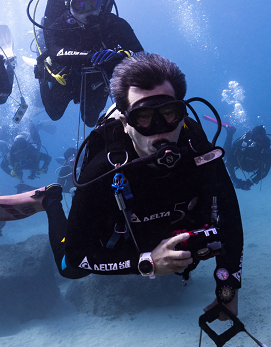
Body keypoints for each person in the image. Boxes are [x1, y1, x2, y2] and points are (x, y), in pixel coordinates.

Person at [33, 53, 244, 320]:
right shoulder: (103, 169)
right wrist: (145, 262)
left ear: (182, 114)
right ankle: (49, 199)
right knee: (69, 269)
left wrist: (228, 290)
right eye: (143, 117)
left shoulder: (201, 153)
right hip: (126, 232)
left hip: (169, 221)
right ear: (124, 121)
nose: (160, 130)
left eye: (169, 114)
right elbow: (76, 257)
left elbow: (231, 223)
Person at [35, 0, 144, 127]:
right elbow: (56, 52)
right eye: (79, 4)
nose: (88, 10)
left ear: (100, 1)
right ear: (69, 7)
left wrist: (121, 56)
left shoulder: (114, 23)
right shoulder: (58, 27)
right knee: (54, 114)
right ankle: (42, 75)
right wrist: (92, 57)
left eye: (93, 1)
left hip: (97, 79)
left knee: (90, 121)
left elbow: (141, 55)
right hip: (68, 76)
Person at [223, 125, 271, 191]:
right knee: (224, 157)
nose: (257, 141)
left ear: (264, 139)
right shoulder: (243, 142)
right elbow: (229, 160)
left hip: (251, 166)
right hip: (240, 161)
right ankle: (230, 132)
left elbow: (264, 171)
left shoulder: (266, 150)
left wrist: (249, 183)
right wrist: (234, 179)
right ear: (251, 136)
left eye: (261, 139)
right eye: (254, 137)